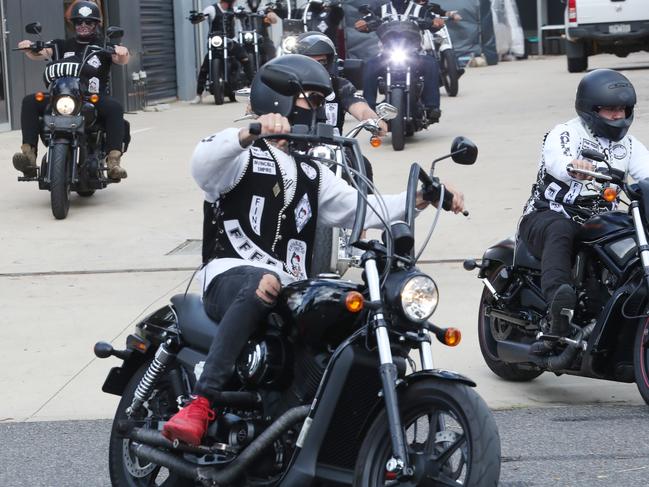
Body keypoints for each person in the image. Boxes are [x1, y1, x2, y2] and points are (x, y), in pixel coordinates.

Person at [162, 54, 465, 446]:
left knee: (349, 311)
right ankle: (201, 403)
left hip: (289, 287)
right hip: (231, 274)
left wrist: (423, 196)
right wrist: (250, 132)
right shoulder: (240, 158)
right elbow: (202, 163)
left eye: (322, 102)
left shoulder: (312, 173)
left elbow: (367, 209)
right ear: (278, 99)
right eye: (311, 100)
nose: (318, 110)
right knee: (265, 282)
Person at [519, 69, 649, 345]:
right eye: (609, 109)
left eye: (622, 109)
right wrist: (575, 167)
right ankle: (559, 307)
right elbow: (557, 160)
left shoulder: (628, 145)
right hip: (548, 214)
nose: (618, 116)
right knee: (561, 229)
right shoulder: (566, 133)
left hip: (598, 221)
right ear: (590, 109)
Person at [13, 0, 129, 180]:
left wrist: (122, 52)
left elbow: (121, 58)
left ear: (96, 24)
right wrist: (28, 47)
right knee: (30, 101)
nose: (83, 25)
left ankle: (113, 161)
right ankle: (29, 156)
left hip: (92, 99)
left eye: (88, 22)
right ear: (73, 24)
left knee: (115, 107)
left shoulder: (103, 46)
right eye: (78, 22)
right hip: (61, 96)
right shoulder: (61, 45)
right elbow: (40, 53)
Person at [354, 0, 446, 124]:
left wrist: (437, 22)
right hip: (387, 54)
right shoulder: (381, 10)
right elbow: (366, 21)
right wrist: (363, 23)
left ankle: (432, 107)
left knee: (431, 63)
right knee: (370, 65)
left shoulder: (420, 10)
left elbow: (434, 20)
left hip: (414, 54)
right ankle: (368, 108)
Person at [190, 0, 254, 104]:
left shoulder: (234, 9)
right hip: (216, 42)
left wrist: (243, 14)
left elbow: (243, 15)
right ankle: (198, 95)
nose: (233, 3)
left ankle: (253, 87)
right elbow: (202, 16)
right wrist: (197, 18)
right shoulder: (211, 9)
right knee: (205, 67)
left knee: (245, 58)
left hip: (231, 41)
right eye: (232, 2)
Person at [233, 0, 280, 64]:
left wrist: (271, 15)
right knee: (235, 50)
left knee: (271, 50)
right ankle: (235, 70)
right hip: (245, 38)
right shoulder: (242, 9)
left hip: (263, 37)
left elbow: (274, 20)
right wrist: (233, 12)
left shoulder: (265, 8)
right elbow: (232, 14)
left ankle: (272, 68)